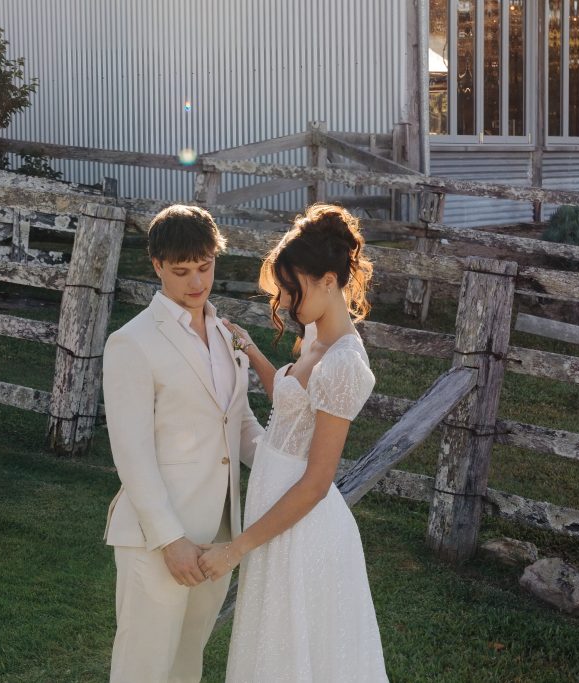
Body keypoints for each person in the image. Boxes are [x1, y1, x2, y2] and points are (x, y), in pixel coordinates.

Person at [198, 203, 389, 682]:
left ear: (328, 280)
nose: (283, 302)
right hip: (274, 513)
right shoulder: (314, 334)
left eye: (290, 289)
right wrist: (248, 347)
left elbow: (317, 483)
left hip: (300, 528)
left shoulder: (344, 363)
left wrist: (235, 549)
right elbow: (291, 399)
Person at [101, 205, 264, 683]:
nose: (196, 282)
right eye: (181, 271)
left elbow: (240, 423)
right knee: (143, 668)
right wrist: (169, 539)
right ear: (157, 266)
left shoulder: (226, 334)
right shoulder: (131, 342)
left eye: (205, 267)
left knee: (187, 663)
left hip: (220, 536)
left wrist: (293, 466)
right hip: (158, 538)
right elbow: (131, 453)